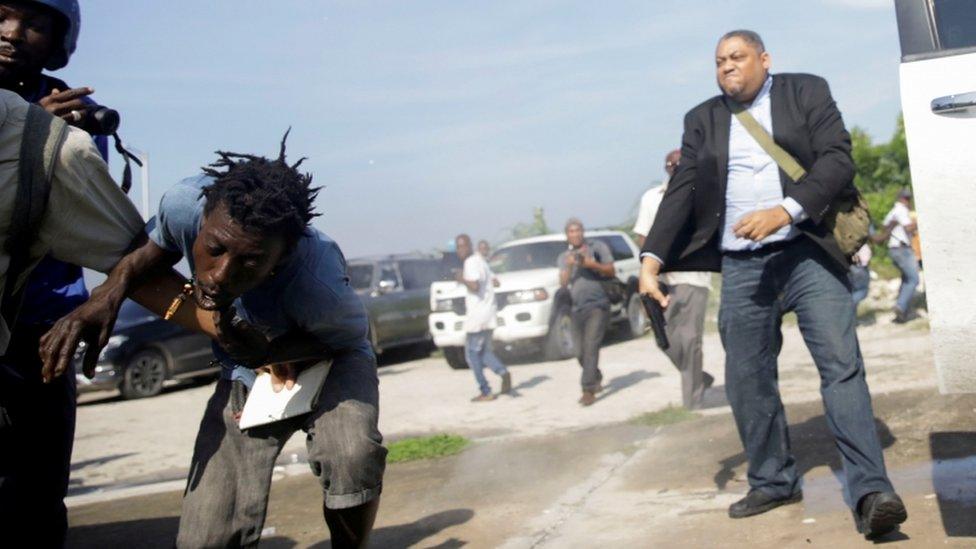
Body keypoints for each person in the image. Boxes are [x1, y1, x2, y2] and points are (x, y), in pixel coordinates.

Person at [43, 138, 386, 548]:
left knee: (351, 454)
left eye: (251, 261)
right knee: (207, 535)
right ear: (202, 220)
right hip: (247, 362)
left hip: (327, 354)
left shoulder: (317, 285)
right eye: (214, 249)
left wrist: (270, 352)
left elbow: (349, 339)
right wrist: (105, 296)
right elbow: (149, 252)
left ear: (282, 256)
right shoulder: (185, 204)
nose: (221, 274)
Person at [639, 30, 906, 538]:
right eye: (719, 62)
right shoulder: (703, 119)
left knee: (841, 367)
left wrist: (784, 211)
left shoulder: (806, 92)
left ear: (764, 59)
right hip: (743, 268)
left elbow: (836, 159)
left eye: (737, 58)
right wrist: (651, 259)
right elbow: (683, 191)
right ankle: (773, 479)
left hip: (807, 252)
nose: (726, 68)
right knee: (747, 377)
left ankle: (872, 491)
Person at [633, 150, 714, 409]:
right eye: (671, 164)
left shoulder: (705, 193)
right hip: (662, 279)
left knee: (690, 340)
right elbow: (643, 237)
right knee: (664, 339)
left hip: (694, 277)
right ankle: (698, 376)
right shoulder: (652, 198)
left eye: (680, 163)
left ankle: (692, 405)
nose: (675, 167)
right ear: (665, 168)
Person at [558, 218, 615, 407]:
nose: (575, 234)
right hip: (576, 308)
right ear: (567, 235)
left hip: (598, 305)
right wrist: (570, 265)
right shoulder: (564, 256)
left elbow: (610, 270)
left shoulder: (596, 247)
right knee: (580, 351)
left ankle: (588, 389)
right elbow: (564, 283)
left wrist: (591, 264)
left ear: (583, 232)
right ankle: (595, 375)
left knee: (591, 346)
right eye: (571, 231)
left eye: (578, 230)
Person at [456, 234, 511, 401]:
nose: (461, 250)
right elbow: (495, 282)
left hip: (477, 316)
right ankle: (502, 371)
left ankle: (485, 390)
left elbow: (474, 285)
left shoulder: (470, 262)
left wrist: (461, 279)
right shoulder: (481, 261)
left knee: (472, 354)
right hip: (488, 313)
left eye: (463, 246)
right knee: (484, 351)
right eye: (458, 247)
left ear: (470, 246)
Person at [881, 189, 919, 323]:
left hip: (895, 249)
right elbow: (908, 228)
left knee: (906, 280)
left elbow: (884, 226)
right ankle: (900, 306)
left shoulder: (893, 211)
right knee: (914, 279)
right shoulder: (901, 210)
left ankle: (903, 314)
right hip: (902, 249)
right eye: (908, 199)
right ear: (904, 199)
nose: (908, 202)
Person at [850, 242, 872, 310]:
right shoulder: (863, 246)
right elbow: (865, 261)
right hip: (860, 268)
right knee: (863, 290)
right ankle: (849, 305)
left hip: (852, 267)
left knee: (853, 290)